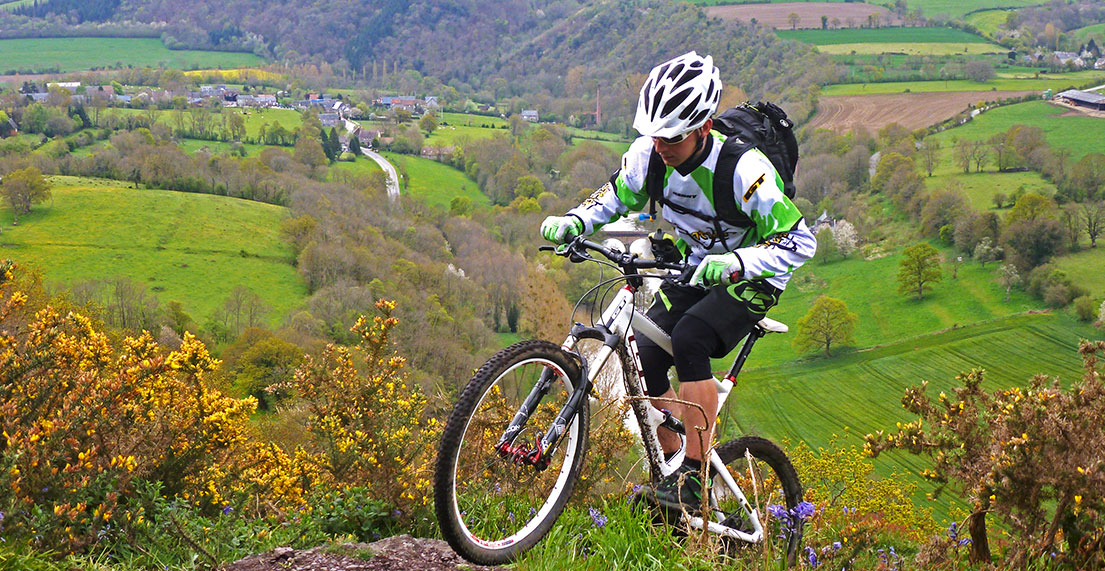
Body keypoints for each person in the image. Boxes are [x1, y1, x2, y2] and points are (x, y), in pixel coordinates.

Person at [540, 51, 816, 515]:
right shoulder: (648, 155)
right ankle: (672, 474)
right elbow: (614, 196)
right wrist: (575, 220)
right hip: (697, 266)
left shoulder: (744, 170)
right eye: (655, 135)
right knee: (645, 355)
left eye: (673, 137)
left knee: (690, 338)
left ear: (704, 128)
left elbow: (800, 241)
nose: (662, 146)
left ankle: (694, 476)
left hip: (755, 274)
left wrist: (737, 262)